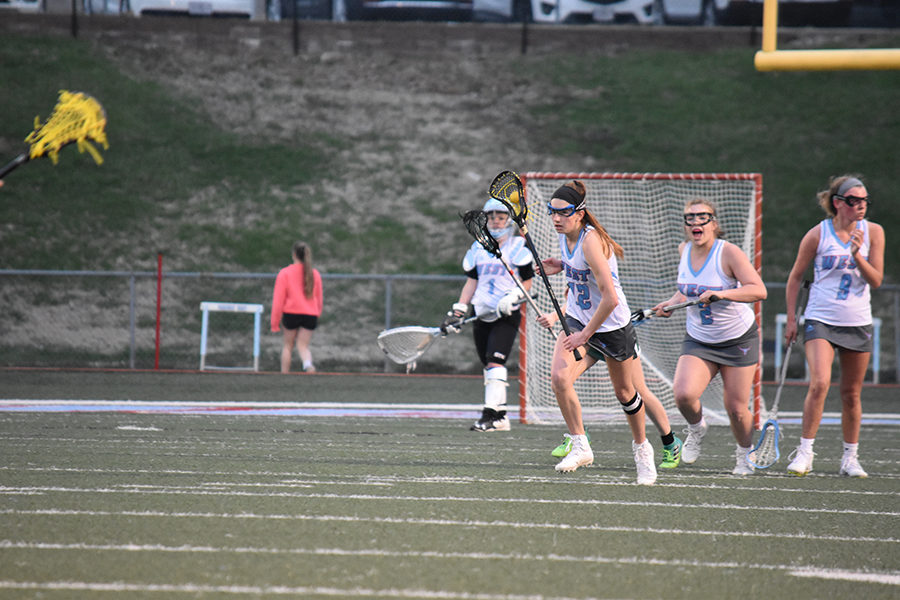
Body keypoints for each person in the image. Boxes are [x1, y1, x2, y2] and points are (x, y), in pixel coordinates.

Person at [536, 180, 657, 484]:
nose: (556, 218)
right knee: (560, 378)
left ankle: (643, 449)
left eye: (562, 212)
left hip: (611, 326)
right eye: (552, 212)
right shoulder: (566, 238)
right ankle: (580, 445)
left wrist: (585, 335)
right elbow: (578, 274)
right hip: (579, 319)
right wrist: (560, 265)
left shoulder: (592, 241)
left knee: (626, 393)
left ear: (579, 213)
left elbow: (611, 298)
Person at [652, 198, 767, 476]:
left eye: (702, 217)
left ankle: (743, 455)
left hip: (737, 339)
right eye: (689, 218)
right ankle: (696, 427)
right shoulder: (684, 250)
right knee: (683, 394)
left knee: (737, 408)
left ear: (714, 223)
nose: (695, 223)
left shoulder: (729, 253)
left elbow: (758, 290)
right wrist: (670, 303)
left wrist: (723, 294)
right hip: (700, 339)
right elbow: (687, 292)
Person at [783, 175, 883, 478]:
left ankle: (850, 458)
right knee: (820, 383)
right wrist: (791, 319)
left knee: (851, 393)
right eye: (854, 200)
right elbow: (795, 277)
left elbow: (876, 280)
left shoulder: (874, 233)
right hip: (820, 318)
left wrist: (857, 256)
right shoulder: (818, 234)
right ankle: (805, 452)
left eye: (865, 200)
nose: (861, 206)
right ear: (838, 203)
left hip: (857, 321)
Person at [441, 198, 534, 432]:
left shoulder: (518, 247)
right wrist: (459, 309)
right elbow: (471, 282)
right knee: (488, 365)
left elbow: (528, 281)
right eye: (491, 217)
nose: (495, 221)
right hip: (481, 311)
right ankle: (501, 416)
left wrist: (512, 296)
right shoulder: (477, 248)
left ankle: (490, 415)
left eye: (500, 217)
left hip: (506, 312)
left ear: (509, 220)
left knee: (496, 361)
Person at [271, 241, 324, 374]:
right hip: (310, 314)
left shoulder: (285, 273)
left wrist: (275, 323)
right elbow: (319, 297)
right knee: (303, 345)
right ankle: (308, 364)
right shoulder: (314, 274)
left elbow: (278, 300)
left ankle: (285, 374)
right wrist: (317, 312)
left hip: (291, 313)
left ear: (294, 255)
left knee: (288, 346)